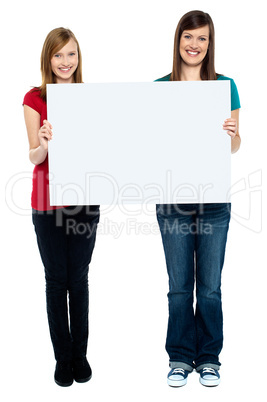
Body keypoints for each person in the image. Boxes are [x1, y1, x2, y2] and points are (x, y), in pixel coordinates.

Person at [155, 10, 241, 387]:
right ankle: (179, 357)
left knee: (209, 285)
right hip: (172, 197)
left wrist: (232, 134)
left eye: (202, 38)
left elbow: (235, 146)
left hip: (213, 198)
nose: (194, 45)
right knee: (178, 286)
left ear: (210, 44)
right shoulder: (159, 87)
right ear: (178, 41)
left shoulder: (225, 86)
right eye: (189, 37)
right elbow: (146, 146)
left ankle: (208, 358)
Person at [23, 28, 100, 387]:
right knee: (56, 281)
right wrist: (43, 142)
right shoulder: (35, 98)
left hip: (84, 201)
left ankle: (81, 354)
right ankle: (63, 358)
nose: (65, 62)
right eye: (58, 55)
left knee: (79, 280)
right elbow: (34, 157)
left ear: (78, 58)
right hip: (48, 203)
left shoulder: (90, 97)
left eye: (71, 54)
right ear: (48, 59)